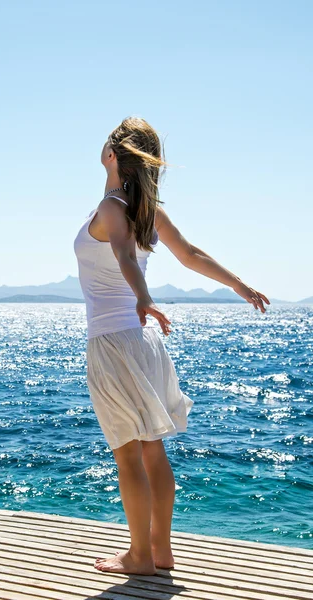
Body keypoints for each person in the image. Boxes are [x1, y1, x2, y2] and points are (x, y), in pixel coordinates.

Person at [73, 116, 270, 575]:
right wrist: (239, 285)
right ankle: (161, 552)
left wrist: (144, 298)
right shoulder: (147, 209)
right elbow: (190, 254)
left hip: (115, 338)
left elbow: (123, 253)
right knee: (152, 450)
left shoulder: (111, 206)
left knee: (127, 454)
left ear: (111, 154)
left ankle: (139, 557)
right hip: (144, 341)